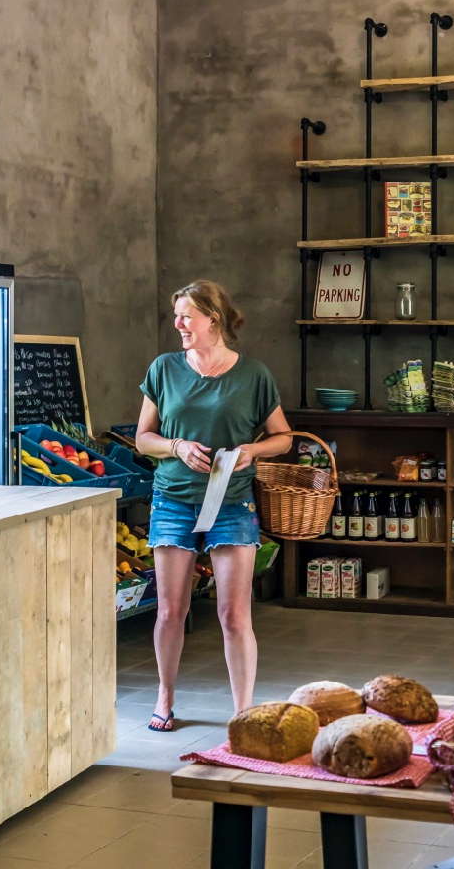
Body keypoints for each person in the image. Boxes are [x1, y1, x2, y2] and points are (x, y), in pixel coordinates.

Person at [136, 280, 292, 732]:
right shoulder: (164, 369)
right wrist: (177, 446)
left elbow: (283, 437)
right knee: (171, 611)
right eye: (177, 316)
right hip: (173, 500)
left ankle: (243, 712)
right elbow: (143, 439)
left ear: (213, 319)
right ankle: (165, 696)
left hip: (232, 501)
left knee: (234, 615)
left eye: (187, 316)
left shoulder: (254, 375)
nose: (178, 324)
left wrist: (252, 450)